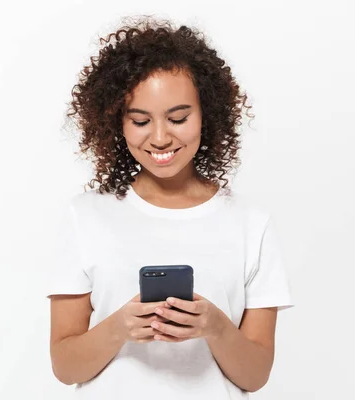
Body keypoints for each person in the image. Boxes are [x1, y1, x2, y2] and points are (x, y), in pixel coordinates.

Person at [46, 16, 294, 400]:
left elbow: (256, 375)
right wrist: (120, 327)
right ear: (117, 124)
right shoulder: (86, 216)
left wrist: (214, 326)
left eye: (178, 118)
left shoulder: (251, 224)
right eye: (140, 121)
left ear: (206, 115)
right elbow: (64, 366)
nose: (160, 137)